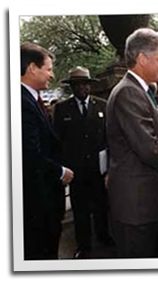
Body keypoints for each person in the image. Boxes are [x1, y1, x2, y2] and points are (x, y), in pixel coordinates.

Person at [106, 28, 158, 258]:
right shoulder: (129, 93)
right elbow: (148, 147)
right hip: (137, 208)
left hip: (143, 204)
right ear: (142, 59)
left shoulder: (136, 91)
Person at [53, 66, 114, 259]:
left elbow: (110, 138)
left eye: (85, 83)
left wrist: (110, 168)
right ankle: (84, 245)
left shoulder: (102, 106)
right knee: (80, 211)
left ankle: (103, 236)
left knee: (101, 206)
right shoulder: (62, 109)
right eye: (77, 84)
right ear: (72, 87)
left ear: (90, 85)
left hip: (99, 169)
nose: (82, 87)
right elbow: (58, 141)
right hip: (76, 171)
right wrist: (62, 168)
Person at [21, 42, 74, 259]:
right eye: (49, 69)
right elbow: (29, 154)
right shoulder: (21, 103)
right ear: (33, 68)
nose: (51, 75)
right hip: (37, 202)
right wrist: (60, 172)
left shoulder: (32, 100)